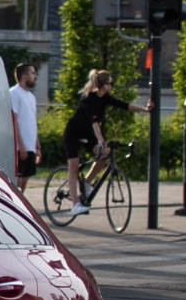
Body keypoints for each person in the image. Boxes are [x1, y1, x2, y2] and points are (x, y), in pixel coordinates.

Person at [61, 69, 149, 216]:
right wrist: (101, 140)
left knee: (105, 154)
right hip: (73, 133)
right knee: (74, 167)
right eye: (110, 83)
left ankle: (87, 182)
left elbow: (124, 105)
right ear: (104, 85)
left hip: (87, 133)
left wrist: (145, 110)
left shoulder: (105, 97)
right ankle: (75, 204)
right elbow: (94, 121)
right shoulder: (87, 100)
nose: (112, 85)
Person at [8, 59, 42, 179]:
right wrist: (21, 145)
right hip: (20, 147)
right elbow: (14, 120)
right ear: (24, 76)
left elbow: (32, 122)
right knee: (18, 182)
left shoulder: (32, 97)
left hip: (30, 146)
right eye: (33, 73)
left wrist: (37, 146)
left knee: (26, 180)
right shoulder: (14, 94)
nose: (36, 77)